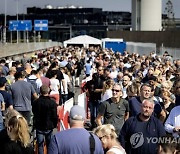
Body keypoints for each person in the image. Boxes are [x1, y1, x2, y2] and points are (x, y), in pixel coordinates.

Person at [32, 85, 58, 154]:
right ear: (48, 91)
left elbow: (34, 112)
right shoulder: (52, 102)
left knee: (40, 145)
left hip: (39, 126)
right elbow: (54, 115)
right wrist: (55, 124)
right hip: (49, 126)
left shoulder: (36, 102)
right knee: (50, 145)